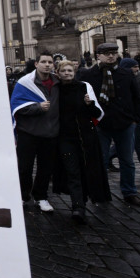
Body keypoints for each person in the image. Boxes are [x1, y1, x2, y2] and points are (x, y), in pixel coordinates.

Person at [81, 43, 140, 207]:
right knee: (100, 160)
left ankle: (129, 192)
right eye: (106, 53)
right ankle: (100, 192)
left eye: (113, 53)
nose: (110, 56)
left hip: (124, 122)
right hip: (100, 123)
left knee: (127, 161)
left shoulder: (126, 73)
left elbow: (137, 96)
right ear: (98, 55)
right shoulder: (88, 74)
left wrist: (136, 118)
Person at [53, 60, 111, 223]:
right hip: (64, 138)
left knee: (87, 169)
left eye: (70, 71)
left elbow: (97, 113)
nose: (67, 73)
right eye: (64, 71)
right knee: (72, 171)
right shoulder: (55, 89)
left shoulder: (84, 87)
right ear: (58, 72)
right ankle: (78, 207)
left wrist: (90, 104)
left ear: (75, 72)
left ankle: (86, 199)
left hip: (85, 137)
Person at [10, 51, 60, 212]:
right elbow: (16, 107)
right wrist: (37, 108)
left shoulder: (58, 82)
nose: (47, 65)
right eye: (43, 61)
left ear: (53, 65)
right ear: (36, 64)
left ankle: (41, 197)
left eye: (50, 62)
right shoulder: (25, 83)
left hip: (50, 132)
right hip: (28, 133)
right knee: (25, 167)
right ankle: (23, 196)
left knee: (46, 168)